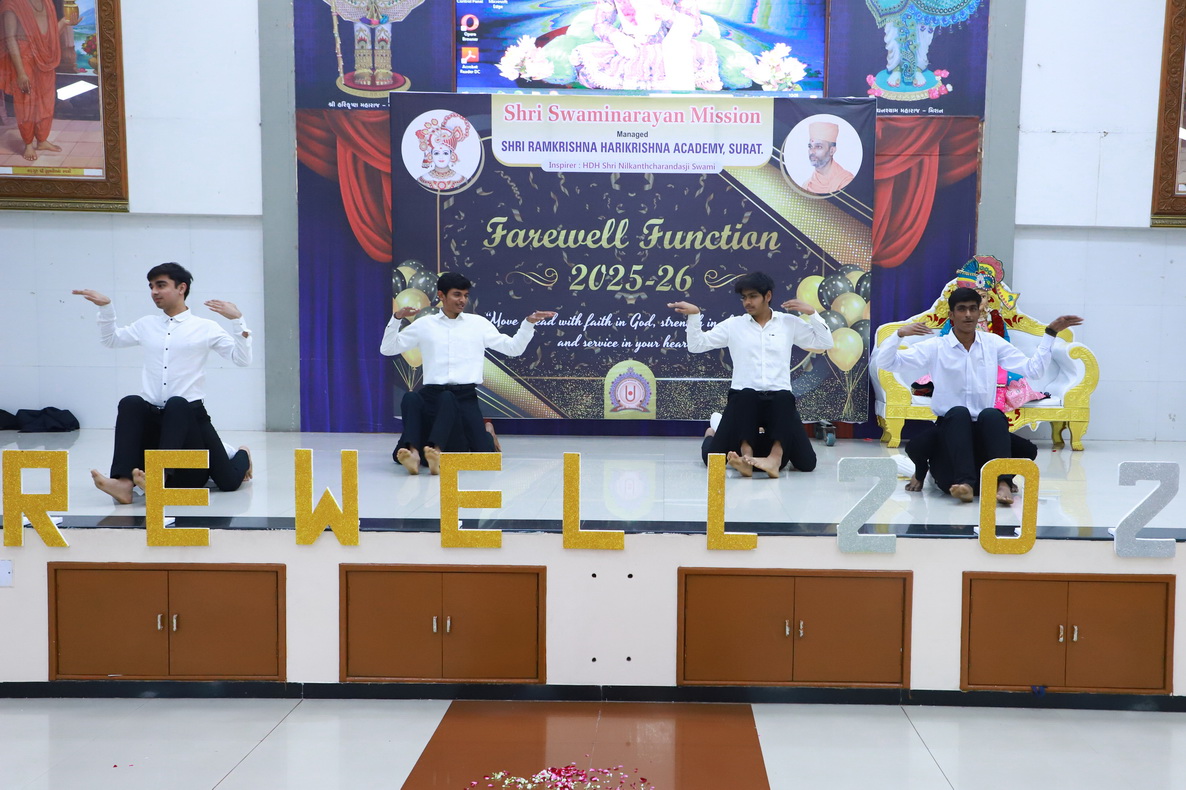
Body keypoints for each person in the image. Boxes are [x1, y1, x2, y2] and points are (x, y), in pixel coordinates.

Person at [874, 286, 1082, 504]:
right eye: (961, 309)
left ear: (979, 312)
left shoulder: (993, 344)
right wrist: (898, 335)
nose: (968, 315)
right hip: (951, 428)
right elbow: (887, 362)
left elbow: (1034, 370)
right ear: (951, 314)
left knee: (998, 420)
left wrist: (1050, 334)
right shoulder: (936, 347)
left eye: (973, 309)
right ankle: (960, 482)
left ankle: (1003, 481)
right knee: (952, 418)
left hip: (985, 430)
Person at [73, 263, 254, 504]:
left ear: (181, 288)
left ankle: (240, 453)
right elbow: (111, 340)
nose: (154, 292)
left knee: (228, 481)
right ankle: (123, 483)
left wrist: (238, 321)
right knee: (131, 402)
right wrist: (106, 308)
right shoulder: (146, 324)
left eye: (161, 285)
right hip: (154, 417)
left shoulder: (205, 327)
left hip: (189, 416)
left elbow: (242, 359)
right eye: (151, 287)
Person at [380, 271, 556, 475]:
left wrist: (528, 324)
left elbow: (513, 348)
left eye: (465, 295)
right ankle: (416, 454)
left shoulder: (478, 324)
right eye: (457, 294)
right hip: (432, 396)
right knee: (411, 402)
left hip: (464, 397)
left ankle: (487, 433)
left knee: (484, 457)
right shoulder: (424, 325)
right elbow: (388, 349)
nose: (462, 300)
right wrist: (396, 319)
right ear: (441, 295)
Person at [669, 271, 833, 479]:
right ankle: (736, 450)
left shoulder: (788, 323)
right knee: (713, 457)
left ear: (768, 296)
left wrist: (813, 313)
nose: (747, 302)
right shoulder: (734, 325)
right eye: (744, 297)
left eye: (753, 296)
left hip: (779, 403)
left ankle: (774, 459)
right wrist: (694, 315)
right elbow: (697, 345)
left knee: (807, 463)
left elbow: (825, 343)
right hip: (744, 401)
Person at [0, 0, 69, 161]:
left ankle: (42, 140)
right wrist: (21, 73)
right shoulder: (12, 3)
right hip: (23, 58)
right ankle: (28, 144)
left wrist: (65, 23)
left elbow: (50, 35)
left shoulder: (47, 2)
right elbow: (10, 39)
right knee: (26, 101)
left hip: (45, 58)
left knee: (46, 100)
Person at [905, 424, 1037, 504]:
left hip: (950, 482)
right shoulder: (990, 425)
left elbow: (914, 447)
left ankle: (1001, 480)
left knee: (902, 462)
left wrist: (920, 472)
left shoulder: (948, 426)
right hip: (980, 483)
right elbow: (1029, 451)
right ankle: (1002, 481)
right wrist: (1006, 476)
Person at [803, 121, 855, 194]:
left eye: (818, 147)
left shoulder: (845, 181)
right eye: (810, 146)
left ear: (832, 151)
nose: (812, 152)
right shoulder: (806, 185)